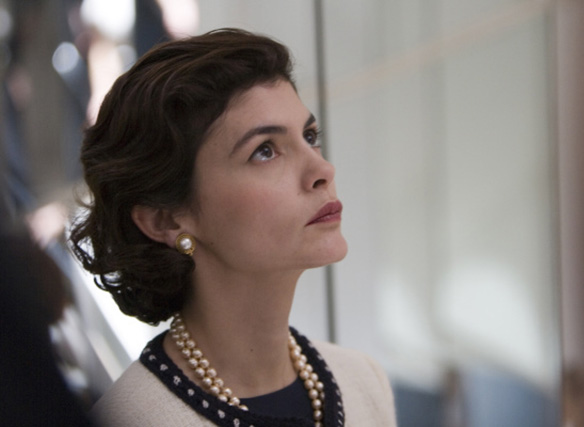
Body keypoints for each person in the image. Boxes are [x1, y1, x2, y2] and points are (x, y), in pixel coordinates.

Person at [69, 28, 396, 427]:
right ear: (165, 219)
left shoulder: (363, 383)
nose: (322, 170)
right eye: (265, 151)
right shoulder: (129, 419)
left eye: (310, 136)